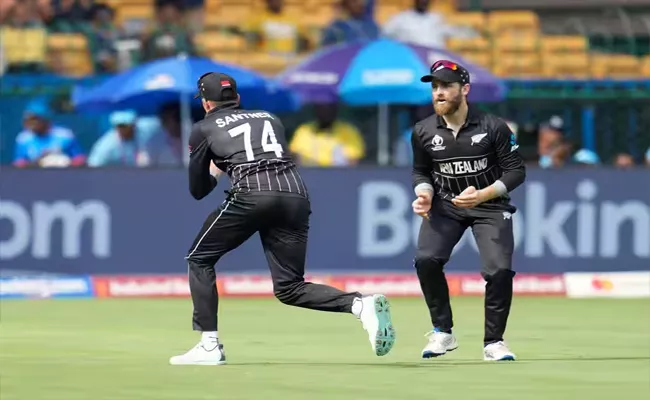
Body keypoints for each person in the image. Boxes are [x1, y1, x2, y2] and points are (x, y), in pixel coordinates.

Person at [169, 72, 396, 365]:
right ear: (237, 99)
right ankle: (359, 304)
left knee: (198, 259)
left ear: (206, 104)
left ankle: (209, 345)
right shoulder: (269, 117)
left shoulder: (203, 128)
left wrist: (215, 170)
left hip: (252, 193)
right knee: (290, 287)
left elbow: (197, 190)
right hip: (295, 194)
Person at [410, 60, 526, 361]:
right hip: (446, 205)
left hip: (490, 206)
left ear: (465, 89)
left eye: (446, 86)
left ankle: (494, 343)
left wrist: (483, 195)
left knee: (498, 271)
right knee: (426, 260)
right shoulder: (423, 131)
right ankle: (442, 333)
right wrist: (423, 195)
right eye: (435, 87)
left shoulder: (493, 126)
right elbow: (421, 172)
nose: (439, 93)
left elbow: (516, 172)